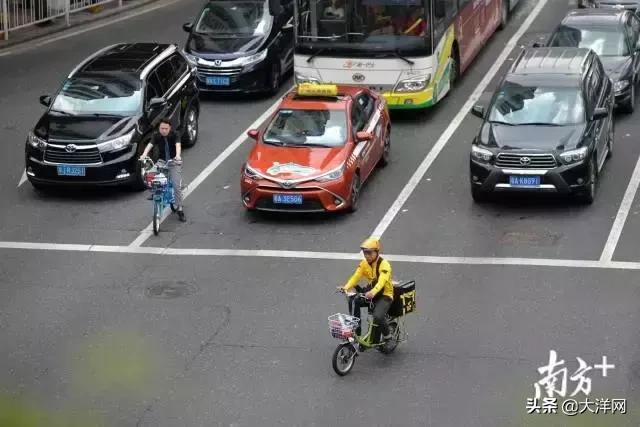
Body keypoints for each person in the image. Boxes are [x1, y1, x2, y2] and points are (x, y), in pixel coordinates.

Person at [337, 237, 394, 342]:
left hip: (384, 295)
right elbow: (356, 276)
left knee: (377, 316)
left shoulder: (384, 264)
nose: (366, 256)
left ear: (377, 252)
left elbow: (382, 281)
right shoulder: (364, 264)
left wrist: (373, 292)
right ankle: (356, 332)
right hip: (371, 293)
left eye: (369, 253)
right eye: (364, 253)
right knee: (354, 301)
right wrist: (346, 287)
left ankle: (387, 335)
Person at [139, 118, 186, 222]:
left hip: (174, 161)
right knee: (150, 176)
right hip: (161, 161)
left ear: (170, 128)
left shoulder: (175, 134)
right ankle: (155, 192)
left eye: (166, 128)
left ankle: (180, 209)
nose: (163, 130)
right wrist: (144, 154)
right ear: (159, 128)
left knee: (176, 185)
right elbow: (149, 145)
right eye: (161, 128)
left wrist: (178, 156)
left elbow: (178, 145)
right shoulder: (156, 135)